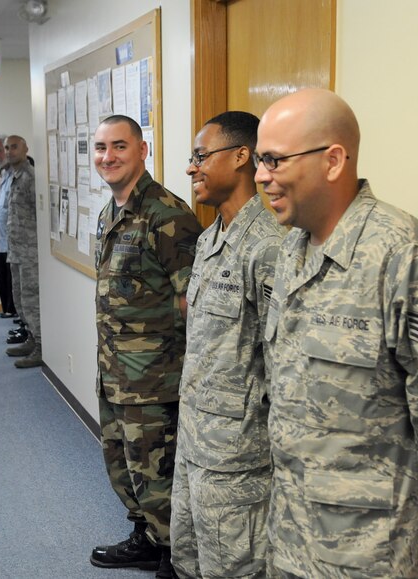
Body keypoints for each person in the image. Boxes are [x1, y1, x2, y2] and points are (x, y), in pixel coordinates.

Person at [255, 88, 418, 578]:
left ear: (333, 160)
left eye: (275, 161)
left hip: (374, 551)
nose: (262, 177)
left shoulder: (402, 253)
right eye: (261, 161)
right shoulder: (291, 251)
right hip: (292, 536)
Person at [170, 111, 283, 579]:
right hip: (195, 441)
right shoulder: (211, 238)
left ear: (241, 157)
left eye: (200, 156)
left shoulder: (271, 245)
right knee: (187, 559)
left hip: (239, 460)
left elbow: (284, 367)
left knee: (233, 570)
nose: (192, 168)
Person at [91, 115, 203, 579]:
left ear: (143, 150)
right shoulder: (109, 214)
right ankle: (145, 538)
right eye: (100, 148)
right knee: (124, 469)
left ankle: (175, 558)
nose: (108, 157)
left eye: (119, 146)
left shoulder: (168, 216)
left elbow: (193, 306)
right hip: (115, 373)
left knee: (160, 479)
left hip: (156, 381)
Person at [2, 135, 43, 368]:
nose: (9, 151)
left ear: (26, 148)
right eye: (6, 148)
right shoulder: (11, 176)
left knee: (31, 301)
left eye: (14, 147)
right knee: (19, 299)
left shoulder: (30, 177)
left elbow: (41, 215)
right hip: (16, 250)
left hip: (30, 253)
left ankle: (41, 347)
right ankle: (30, 338)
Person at [0, 133, 18, 320]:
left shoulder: (20, 171)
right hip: (2, 233)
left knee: (12, 278)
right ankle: (8, 308)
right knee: (0, 271)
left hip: (15, 236)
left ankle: (14, 312)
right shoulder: (3, 173)